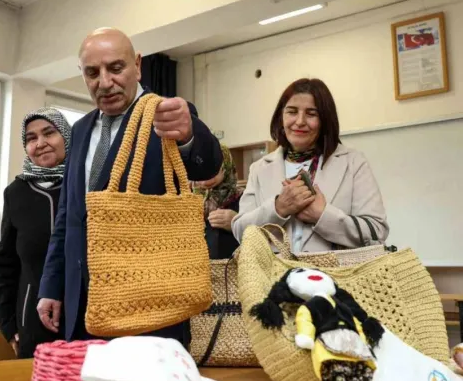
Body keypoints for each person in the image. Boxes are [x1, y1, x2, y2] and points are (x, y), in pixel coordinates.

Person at [36, 27, 223, 348]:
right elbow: (68, 216)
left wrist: (189, 134)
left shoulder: (165, 114)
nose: (104, 82)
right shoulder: (79, 130)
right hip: (82, 306)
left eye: (116, 68)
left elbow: (207, 166)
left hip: (150, 306)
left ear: (137, 65)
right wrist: (51, 286)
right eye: (92, 73)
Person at [231, 78, 388, 252]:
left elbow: (377, 231)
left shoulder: (353, 162)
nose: (300, 121)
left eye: (311, 114)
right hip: (273, 270)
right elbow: (240, 232)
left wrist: (322, 216)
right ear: (281, 117)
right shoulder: (259, 169)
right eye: (292, 112)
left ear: (325, 120)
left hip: (335, 269)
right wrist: (278, 208)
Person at [0, 107, 70, 359]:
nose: (41, 143)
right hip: (32, 323)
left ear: (67, 137)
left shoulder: (87, 184)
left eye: (49, 133)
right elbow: (5, 265)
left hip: (84, 319)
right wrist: (9, 326)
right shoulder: (16, 192)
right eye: (31, 138)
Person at [191, 140, 243, 259]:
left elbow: (259, 234)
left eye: (211, 169)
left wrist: (236, 223)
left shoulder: (244, 198)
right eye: (198, 170)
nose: (204, 179)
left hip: (231, 267)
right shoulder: (186, 198)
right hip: (192, 267)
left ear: (226, 166)